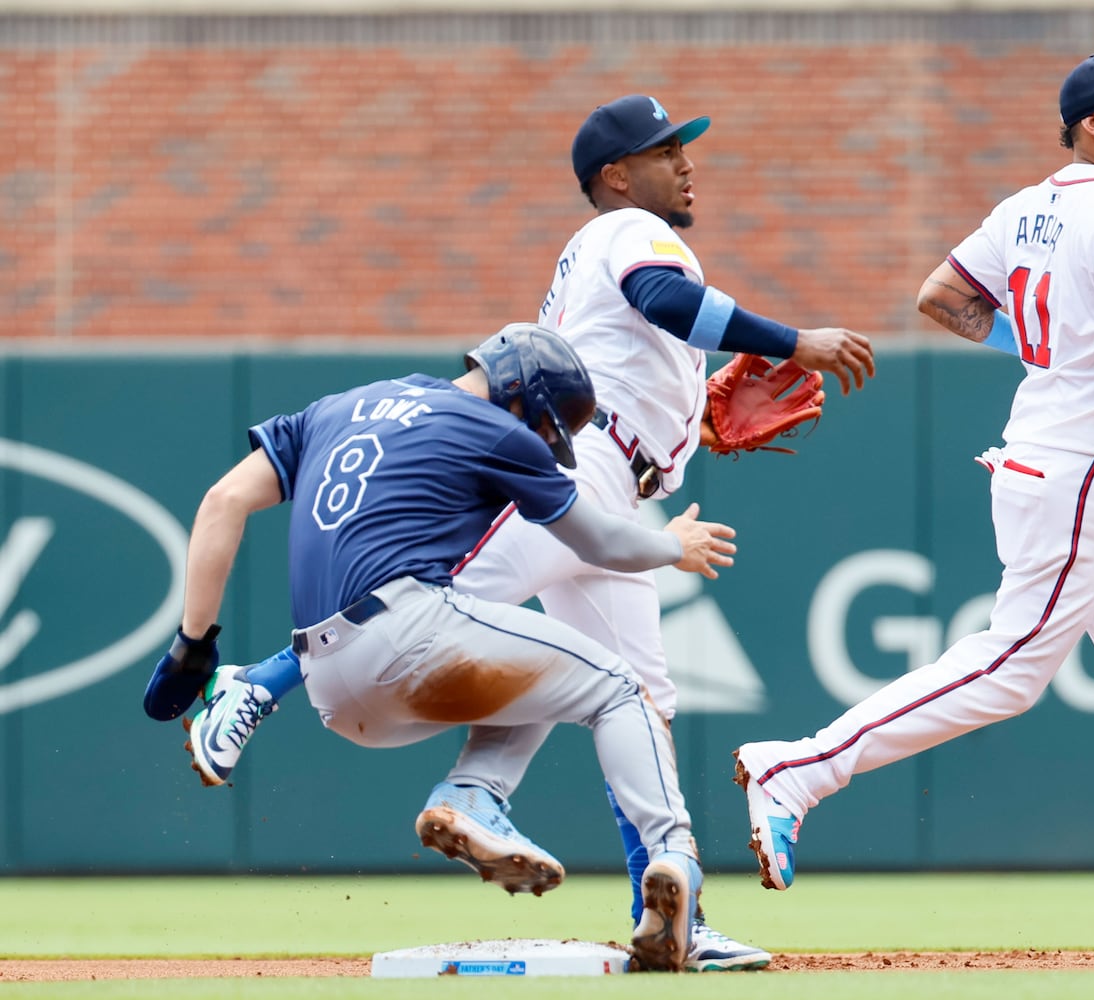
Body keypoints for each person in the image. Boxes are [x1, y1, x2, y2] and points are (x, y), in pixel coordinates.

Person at [156, 95, 877, 972]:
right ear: (616, 177)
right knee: (460, 607)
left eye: (683, 148)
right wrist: (795, 340)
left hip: (620, 469)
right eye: (663, 151)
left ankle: (630, 889)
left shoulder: (603, 253)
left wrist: (698, 427)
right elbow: (665, 300)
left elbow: (642, 339)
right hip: (576, 463)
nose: (685, 163)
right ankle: (256, 688)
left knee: (628, 692)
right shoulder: (627, 233)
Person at [731, 49, 1094, 957]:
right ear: (1092, 123)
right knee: (1010, 670)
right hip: (1082, 469)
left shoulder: (1026, 208)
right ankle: (798, 770)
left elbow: (940, 297)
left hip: (1074, 464)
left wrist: (1053, 348)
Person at [148, 324, 737, 972]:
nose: (545, 445)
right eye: (548, 429)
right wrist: (672, 545)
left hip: (335, 691)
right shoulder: (496, 428)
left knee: (541, 671)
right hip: (408, 638)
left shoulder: (333, 409)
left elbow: (222, 501)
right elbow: (600, 543)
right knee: (621, 687)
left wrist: (191, 646)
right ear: (525, 395)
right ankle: (675, 858)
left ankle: (470, 792)